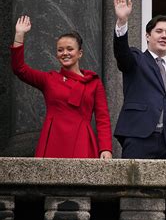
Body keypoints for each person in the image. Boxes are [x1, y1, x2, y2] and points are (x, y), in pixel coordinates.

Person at [10, 16, 113, 159]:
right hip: (53, 139)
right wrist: (19, 35)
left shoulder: (93, 82)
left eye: (70, 49)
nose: (65, 53)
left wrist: (105, 149)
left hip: (82, 140)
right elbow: (19, 69)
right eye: (60, 50)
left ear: (80, 53)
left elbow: (103, 118)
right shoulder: (49, 79)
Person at [113, 0, 166, 159]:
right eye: (159, 31)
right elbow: (121, 53)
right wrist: (122, 21)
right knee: (134, 186)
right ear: (148, 36)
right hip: (139, 137)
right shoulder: (136, 59)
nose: (164, 36)